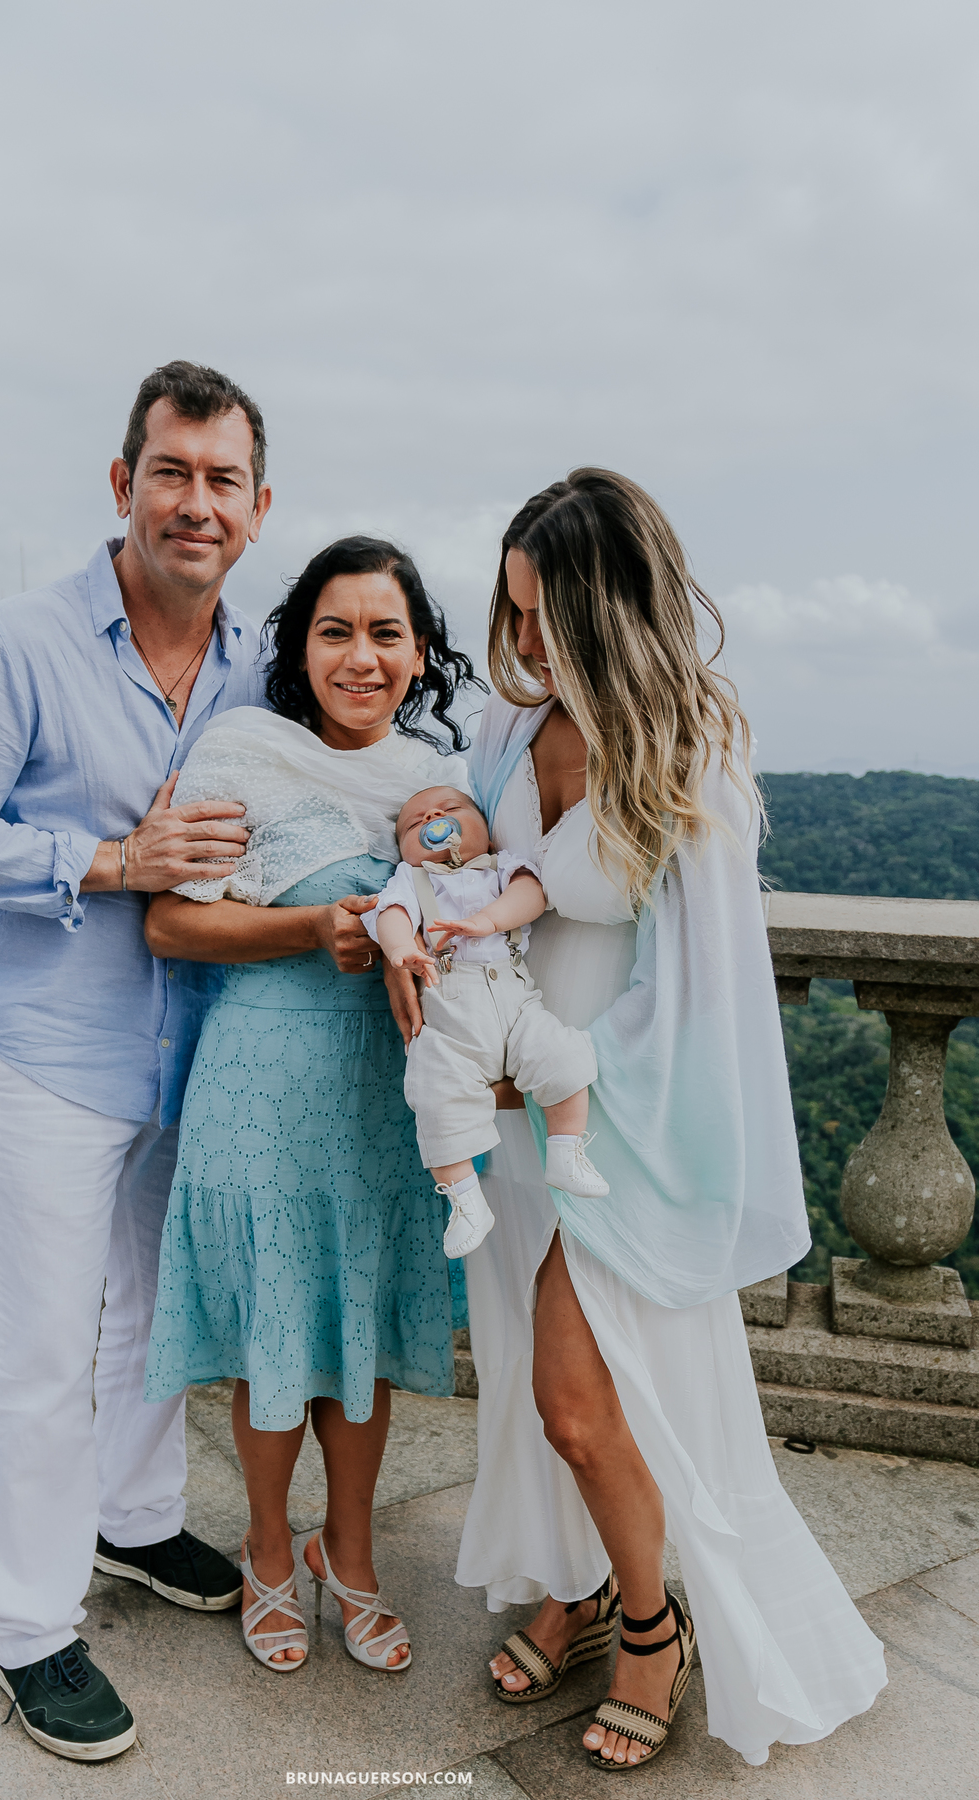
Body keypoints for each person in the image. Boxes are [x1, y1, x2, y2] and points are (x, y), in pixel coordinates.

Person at [387, 470, 887, 1772]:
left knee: (582, 1399)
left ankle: (654, 1626)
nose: (529, 643)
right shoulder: (510, 728)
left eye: (548, 615)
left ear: (612, 609)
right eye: (516, 617)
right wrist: (428, 858)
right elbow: (478, 863)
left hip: (628, 1118)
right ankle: (582, 1578)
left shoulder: (688, 749)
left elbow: (702, 993)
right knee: (532, 1386)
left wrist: (547, 1078)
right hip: (514, 1105)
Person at [0, 361, 274, 1762]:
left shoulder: (259, 660)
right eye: (172, 472)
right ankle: (30, 1627)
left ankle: (135, 1518)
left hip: (197, 1044)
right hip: (53, 1043)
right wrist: (109, 860)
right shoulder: (20, 643)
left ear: (258, 505)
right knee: (44, 1346)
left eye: (222, 479)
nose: (195, 502)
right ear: (124, 485)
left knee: (156, 1311)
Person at [142, 536, 472, 1676]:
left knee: (364, 1333)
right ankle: (271, 1548)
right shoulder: (242, 752)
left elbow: (470, 887)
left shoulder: (439, 776)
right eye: (336, 630)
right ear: (299, 647)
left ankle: (355, 1551)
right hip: (261, 1086)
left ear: (419, 652)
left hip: (390, 1097)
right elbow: (171, 922)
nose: (362, 655)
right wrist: (303, 928)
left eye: (387, 632)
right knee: (273, 1328)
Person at [364, 784, 605, 1258]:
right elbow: (389, 915)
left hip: (516, 1004)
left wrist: (488, 921)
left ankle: (566, 1149)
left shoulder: (502, 866)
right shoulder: (411, 881)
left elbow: (531, 894)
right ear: (405, 851)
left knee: (566, 1055)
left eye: (451, 809)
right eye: (415, 822)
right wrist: (401, 951)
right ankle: (465, 1200)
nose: (434, 815)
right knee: (435, 1096)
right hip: (450, 1015)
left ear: (488, 834)